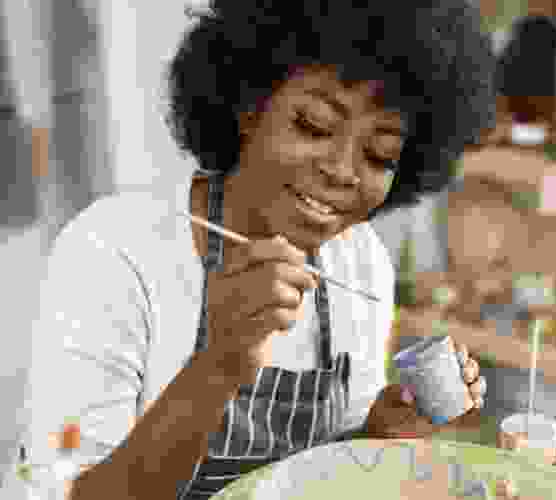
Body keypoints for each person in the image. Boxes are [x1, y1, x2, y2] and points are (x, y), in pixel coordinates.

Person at [25, 0, 497, 498]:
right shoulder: (113, 252)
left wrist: (377, 435)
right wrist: (218, 365)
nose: (342, 170)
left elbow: (330, 472)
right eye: (314, 125)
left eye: (379, 155)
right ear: (249, 106)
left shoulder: (360, 262)